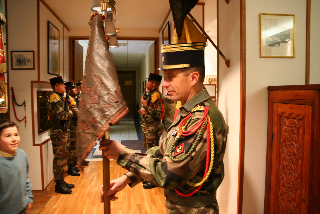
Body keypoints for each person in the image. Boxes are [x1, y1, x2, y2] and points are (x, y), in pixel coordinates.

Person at [99, 41, 228, 213]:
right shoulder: (188, 112)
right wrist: (128, 177)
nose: (165, 84)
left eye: (170, 76)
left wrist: (123, 154)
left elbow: (170, 175)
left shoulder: (201, 118)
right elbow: (161, 151)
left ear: (193, 78)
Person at [48, 76, 76, 194]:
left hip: (64, 132)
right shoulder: (54, 99)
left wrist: (68, 110)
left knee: (64, 157)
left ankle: (61, 181)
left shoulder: (62, 98)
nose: (65, 86)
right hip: (58, 133)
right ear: (56, 86)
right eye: (62, 84)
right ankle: (59, 184)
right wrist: (69, 113)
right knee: (59, 159)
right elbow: (61, 116)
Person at [0, 121, 34, 213]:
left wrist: (29, 198)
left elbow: (25, 179)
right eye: (8, 136)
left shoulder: (22, 155)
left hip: (22, 209)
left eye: (16, 135)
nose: (14, 139)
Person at [139, 73, 164, 189]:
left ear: (154, 83)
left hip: (153, 127)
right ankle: (150, 177)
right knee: (149, 152)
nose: (147, 83)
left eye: (148, 81)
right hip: (148, 126)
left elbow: (159, 114)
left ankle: (154, 180)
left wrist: (146, 107)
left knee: (153, 154)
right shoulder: (150, 94)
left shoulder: (156, 96)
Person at [64, 81, 80, 176]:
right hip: (71, 127)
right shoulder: (68, 99)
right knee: (72, 147)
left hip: (75, 126)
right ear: (69, 90)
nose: (75, 90)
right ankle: (71, 166)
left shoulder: (72, 98)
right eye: (73, 88)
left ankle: (73, 165)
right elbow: (76, 112)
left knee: (74, 147)